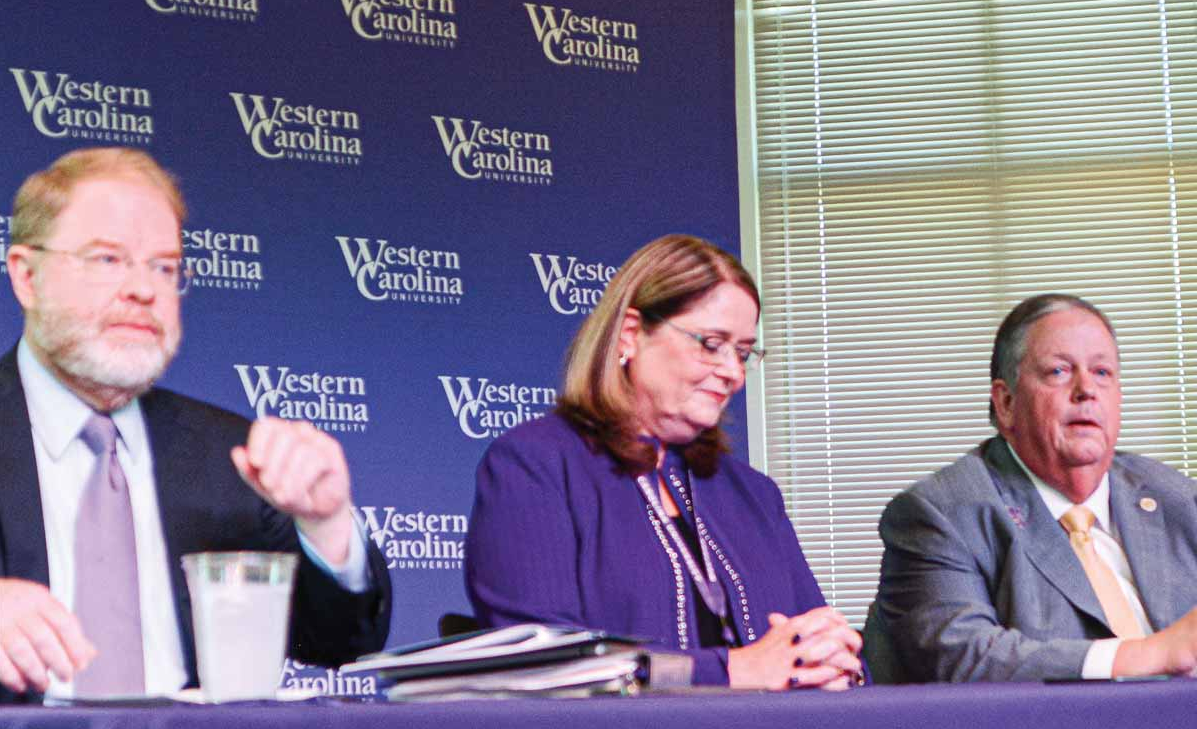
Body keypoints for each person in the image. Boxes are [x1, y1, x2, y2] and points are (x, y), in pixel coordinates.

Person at [0, 148, 390, 703]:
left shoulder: (229, 453)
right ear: (27, 277)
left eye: (163, 266)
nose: (143, 289)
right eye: (108, 260)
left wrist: (325, 525)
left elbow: (338, 641)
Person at [465, 235, 862, 689]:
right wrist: (732, 670)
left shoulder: (752, 493)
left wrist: (833, 663)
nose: (734, 372)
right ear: (631, 334)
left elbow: (813, 637)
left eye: (744, 352)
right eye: (712, 344)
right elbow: (542, 663)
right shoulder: (536, 465)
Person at [865, 293, 1197, 682]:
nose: (1086, 389)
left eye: (1102, 373)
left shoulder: (1177, 499)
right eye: (1059, 371)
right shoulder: (941, 513)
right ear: (1005, 403)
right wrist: (1150, 654)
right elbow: (962, 656)